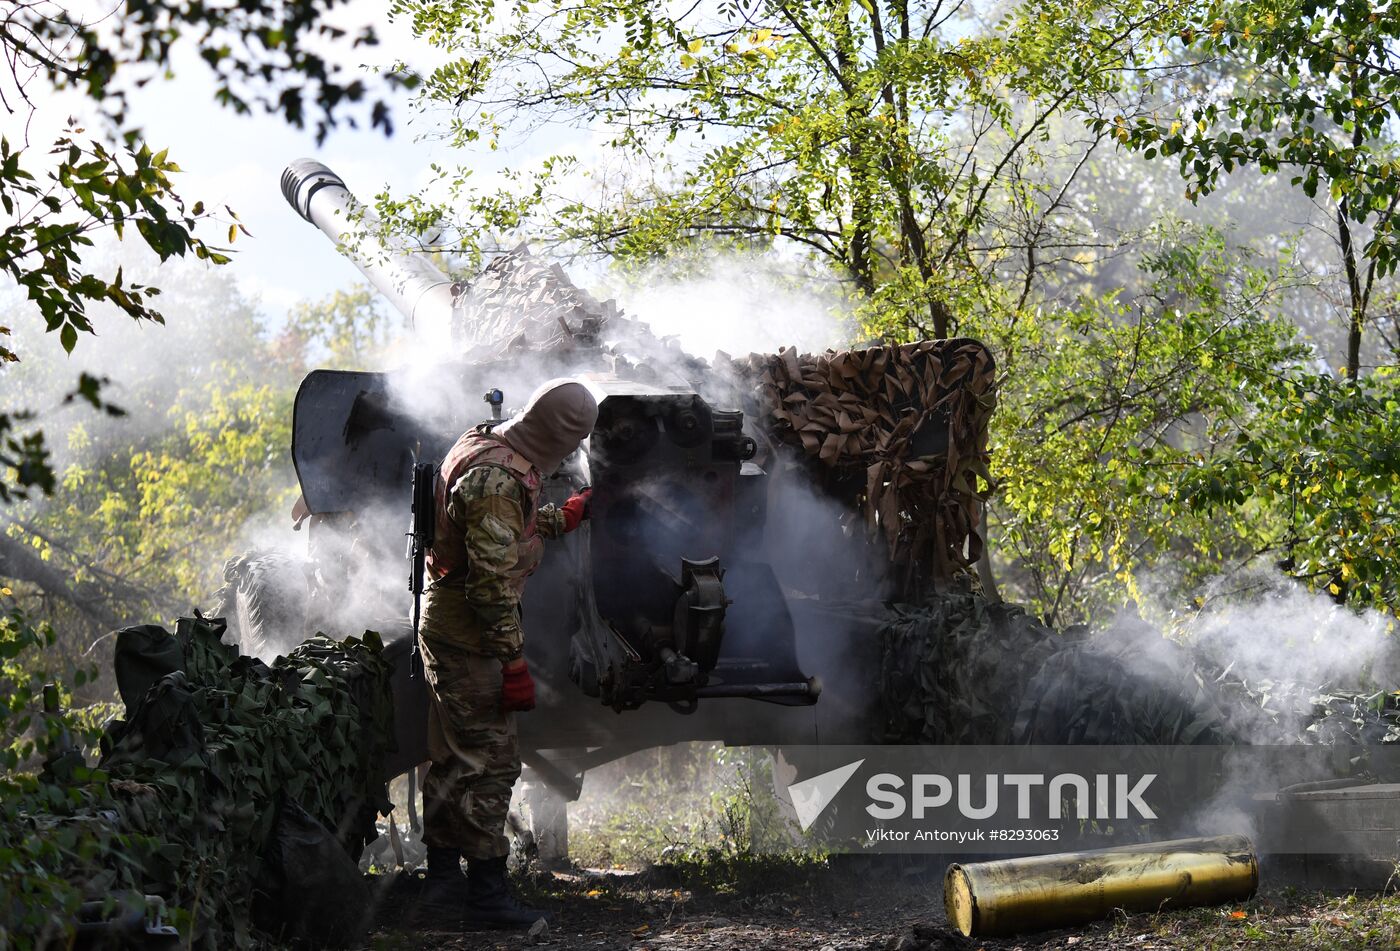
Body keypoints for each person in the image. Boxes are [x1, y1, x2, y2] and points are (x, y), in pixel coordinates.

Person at [417, 378, 597, 926]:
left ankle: (445, 886)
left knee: (451, 757)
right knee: (491, 763)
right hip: (472, 637)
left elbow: (492, 529)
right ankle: (486, 897)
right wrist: (513, 662)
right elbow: (489, 583)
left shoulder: (485, 442)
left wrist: (558, 518)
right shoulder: (499, 479)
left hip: (448, 626)